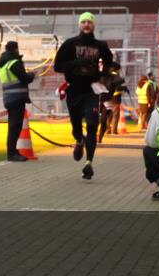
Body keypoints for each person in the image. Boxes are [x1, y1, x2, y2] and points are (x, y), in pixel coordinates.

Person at [53, 12, 114, 180]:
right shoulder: (70, 44)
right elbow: (57, 66)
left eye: (90, 22)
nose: (87, 24)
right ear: (80, 25)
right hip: (74, 90)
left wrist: (105, 75)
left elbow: (109, 62)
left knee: (93, 125)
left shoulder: (100, 45)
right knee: (76, 128)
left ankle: (89, 163)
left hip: (91, 91)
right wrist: (75, 64)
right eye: (84, 22)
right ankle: (79, 141)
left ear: (94, 25)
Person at [0, 40, 35, 162]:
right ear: (16, 49)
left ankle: (12, 152)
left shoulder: (4, 65)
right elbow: (25, 79)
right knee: (15, 127)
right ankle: (12, 153)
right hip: (17, 99)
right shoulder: (15, 63)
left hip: (9, 98)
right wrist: (32, 75)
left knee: (13, 126)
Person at [98, 62, 128, 142]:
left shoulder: (106, 76)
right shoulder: (113, 76)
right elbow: (119, 83)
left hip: (103, 99)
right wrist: (123, 87)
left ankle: (101, 136)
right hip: (109, 99)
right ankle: (108, 131)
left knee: (105, 117)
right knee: (111, 115)